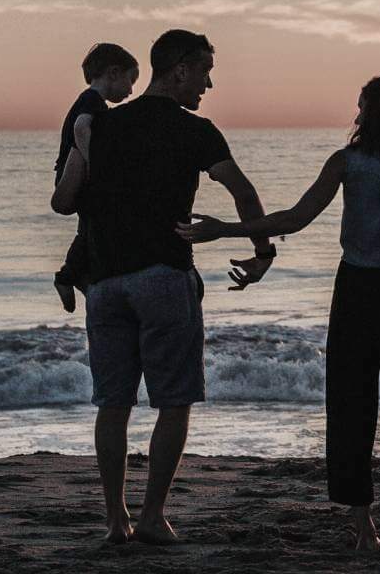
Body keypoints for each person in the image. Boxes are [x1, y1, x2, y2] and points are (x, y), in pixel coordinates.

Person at [179, 76, 380, 552]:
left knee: (352, 405)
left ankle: (365, 527)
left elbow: (294, 219)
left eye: (361, 106)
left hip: (359, 290)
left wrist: (229, 229)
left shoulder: (349, 161)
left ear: (368, 112)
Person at [49, 28, 276, 547]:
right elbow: (242, 191)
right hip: (162, 277)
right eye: (204, 72)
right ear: (179, 70)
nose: (209, 84)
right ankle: (151, 516)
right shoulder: (194, 130)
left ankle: (114, 521)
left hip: (104, 283)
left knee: (113, 404)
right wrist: (263, 253)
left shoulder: (99, 125)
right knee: (173, 402)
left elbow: (72, 201)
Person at [53, 43, 139, 312]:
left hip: (79, 174)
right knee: (92, 226)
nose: (131, 90)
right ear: (113, 73)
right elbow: (81, 129)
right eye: (130, 80)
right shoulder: (92, 100)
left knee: (90, 227)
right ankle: (68, 276)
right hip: (76, 175)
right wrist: (97, 164)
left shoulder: (91, 101)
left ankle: (76, 275)